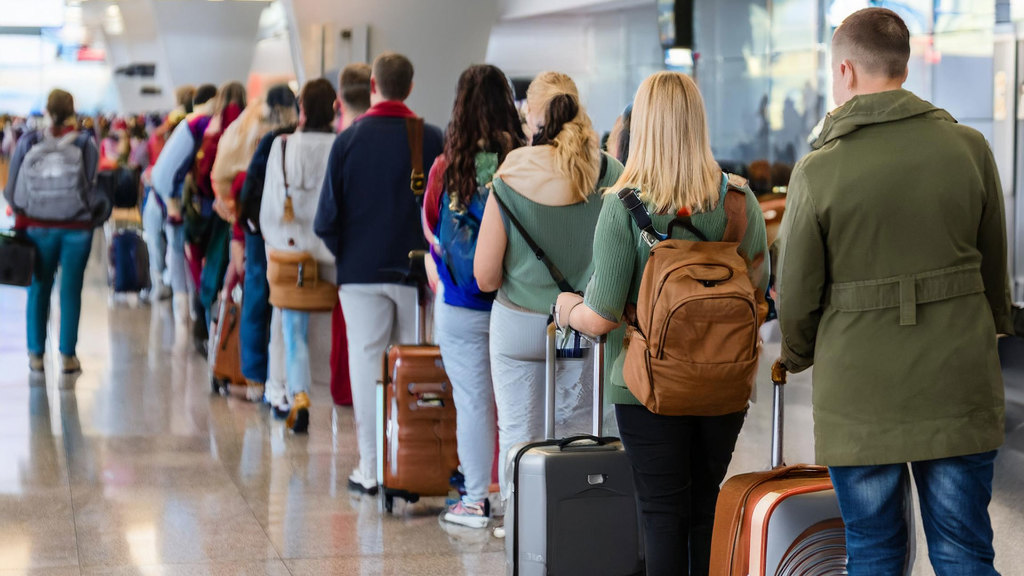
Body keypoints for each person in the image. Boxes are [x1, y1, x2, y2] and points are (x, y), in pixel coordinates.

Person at [775, 8, 1012, 576]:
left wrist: (799, 351)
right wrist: (994, 324)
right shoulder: (969, 147)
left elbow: (798, 289)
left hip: (860, 393)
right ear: (903, 67)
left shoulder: (820, 169)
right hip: (956, 380)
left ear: (848, 72)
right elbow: (993, 270)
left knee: (874, 551)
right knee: (964, 552)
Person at [553, 71, 768, 575]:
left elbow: (602, 316)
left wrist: (565, 307)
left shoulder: (624, 207)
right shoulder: (738, 202)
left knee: (661, 512)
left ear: (642, 125)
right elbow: (758, 293)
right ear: (698, 123)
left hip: (646, 387)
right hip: (724, 383)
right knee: (702, 507)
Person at [473, 71, 624, 522]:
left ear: (533, 116)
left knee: (520, 437)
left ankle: (523, 536)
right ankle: (574, 535)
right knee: (579, 438)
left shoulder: (511, 174)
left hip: (518, 327)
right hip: (585, 327)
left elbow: (484, 275)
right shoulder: (611, 173)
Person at [314, 52, 444, 494]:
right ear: (408, 88)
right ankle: (409, 465)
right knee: (411, 371)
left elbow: (325, 220)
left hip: (360, 275)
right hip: (415, 272)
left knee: (368, 366)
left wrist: (350, 257)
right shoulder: (430, 138)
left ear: (373, 85)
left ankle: (371, 469)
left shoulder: (348, 142)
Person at [421, 64, 526, 528]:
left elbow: (432, 231)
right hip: (516, 302)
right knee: (518, 406)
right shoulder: (523, 163)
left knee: (474, 403)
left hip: (461, 306)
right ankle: (520, 500)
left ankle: (475, 500)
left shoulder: (447, 167)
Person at [3, 89, 100, 374]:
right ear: (72, 111)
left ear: (46, 111)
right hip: (77, 229)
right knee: (71, 291)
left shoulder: (29, 141)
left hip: (36, 228)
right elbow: (93, 185)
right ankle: (68, 356)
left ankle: (36, 355)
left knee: (39, 289)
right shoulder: (85, 143)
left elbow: (11, 191)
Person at [260, 79, 338, 433]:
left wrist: (275, 243)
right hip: (333, 253)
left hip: (293, 253)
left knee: (295, 332)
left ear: (301, 109)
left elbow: (272, 206)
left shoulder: (283, 146)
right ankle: (332, 396)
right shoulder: (340, 146)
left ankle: (299, 395)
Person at [237, 85, 299, 415]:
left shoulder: (264, 137)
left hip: (260, 230)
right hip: (291, 232)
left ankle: (256, 377)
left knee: (258, 297)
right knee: (284, 301)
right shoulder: (298, 137)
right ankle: (280, 376)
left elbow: (248, 189)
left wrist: (247, 228)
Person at [152, 84, 218, 324]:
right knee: (180, 249)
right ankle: (186, 306)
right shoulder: (199, 123)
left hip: (166, 191)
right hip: (172, 194)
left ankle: (185, 306)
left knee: (178, 250)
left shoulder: (186, 123)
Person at [326, 63, 371, 410]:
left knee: (362, 353)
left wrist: (342, 252)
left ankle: (371, 459)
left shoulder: (344, 141)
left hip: (356, 267)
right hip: (407, 268)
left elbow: (326, 218)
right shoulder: (420, 135)